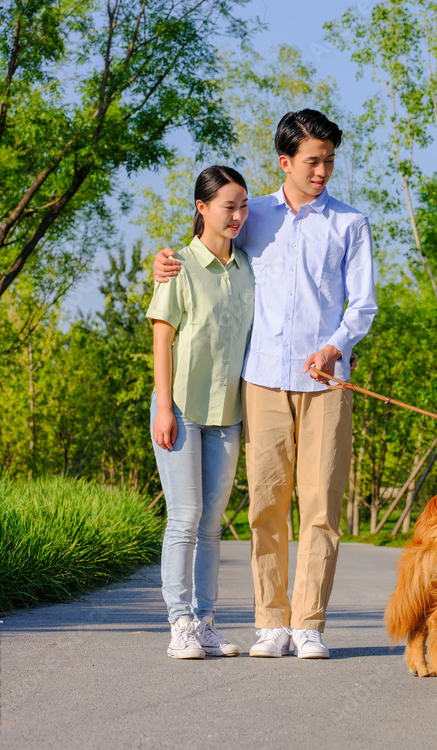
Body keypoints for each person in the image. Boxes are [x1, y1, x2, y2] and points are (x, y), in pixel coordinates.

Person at [154, 109, 377, 660]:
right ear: (286, 162)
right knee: (267, 504)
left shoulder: (350, 224)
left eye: (328, 161)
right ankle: (271, 622)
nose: (323, 170)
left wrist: (335, 345)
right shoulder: (254, 215)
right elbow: (207, 239)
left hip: (327, 383)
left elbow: (364, 303)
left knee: (321, 505)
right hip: (261, 381)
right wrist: (165, 261)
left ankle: (309, 625)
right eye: (312, 161)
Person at [148, 165, 254, 659]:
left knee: (212, 522)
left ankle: (207, 621)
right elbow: (162, 338)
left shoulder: (247, 268)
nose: (236, 215)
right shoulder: (178, 266)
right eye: (227, 206)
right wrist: (163, 407)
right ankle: (179, 624)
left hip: (227, 413)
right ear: (202, 208)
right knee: (185, 517)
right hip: (182, 409)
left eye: (242, 206)